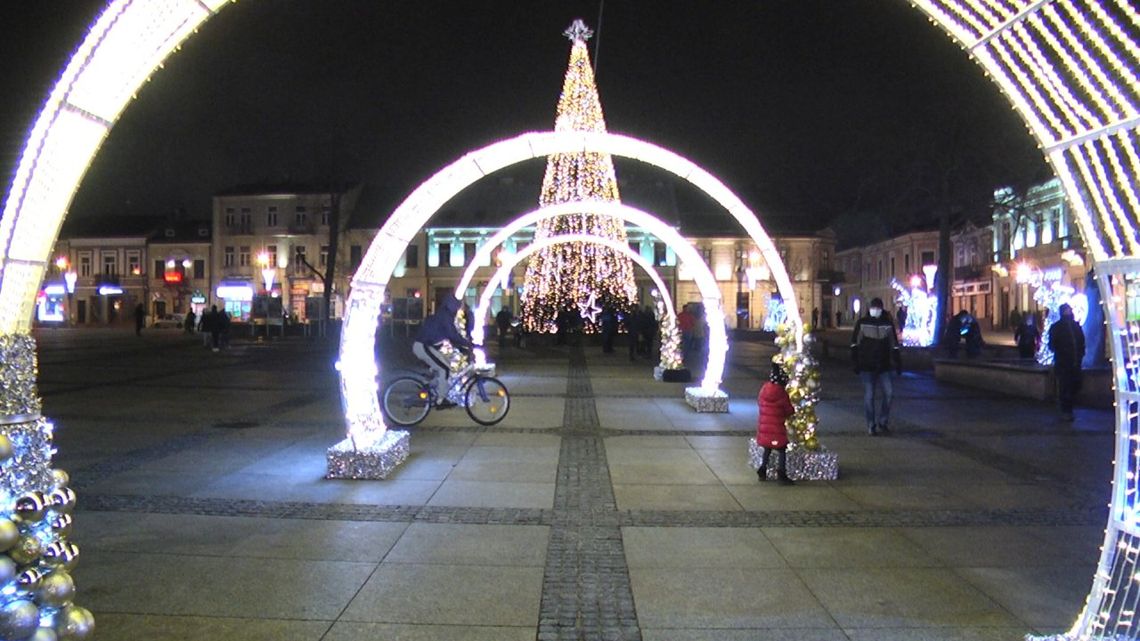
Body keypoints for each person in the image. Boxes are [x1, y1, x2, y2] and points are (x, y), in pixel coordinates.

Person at [851, 297, 902, 436]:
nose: (876, 310)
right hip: (867, 365)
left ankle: (883, 421)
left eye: (878, 308)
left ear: (881, 309)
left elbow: (894, 344)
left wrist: (897, 362)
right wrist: (855, 362)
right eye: (874, 307)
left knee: (889, 393)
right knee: (869, 396)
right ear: (870, 309)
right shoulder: (862, 323)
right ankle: (871, 424)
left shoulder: (887, 324)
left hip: (884, 365)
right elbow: (854, 344)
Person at [413, 298, 472, 408]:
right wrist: (468, 343)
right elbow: (452, 334)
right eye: (458, 307)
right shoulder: (446, 317)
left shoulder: (443, 315)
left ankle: (428, 386)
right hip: (423, 346)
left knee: (447, 367)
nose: (459, 309)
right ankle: (441, 399)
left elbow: (451, 335)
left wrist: (462, 344)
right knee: (444, 369)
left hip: (427, 345)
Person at [755, 361, 795, 485]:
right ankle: (781, 473)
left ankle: (763, 469)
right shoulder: (782, 393)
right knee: (781, 449)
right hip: (777, 427)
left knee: (767, 447)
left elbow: (760, 403)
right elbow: (789, 410)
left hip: (765, 425)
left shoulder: (764, 389)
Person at [1048, 303, 1086, 421]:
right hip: (1063, 362)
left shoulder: (1076, 326)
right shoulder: (1057, 327)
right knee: (1065, 386)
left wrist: (1080, 353)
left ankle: (1068, 408)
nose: (1068, 312)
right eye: (1066, 310)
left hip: (1075, 361)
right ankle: (1066, 410)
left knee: (1075, 385)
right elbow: (1052, 344)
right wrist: (1060, 352)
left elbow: (1081, 341)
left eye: (1069, 309)